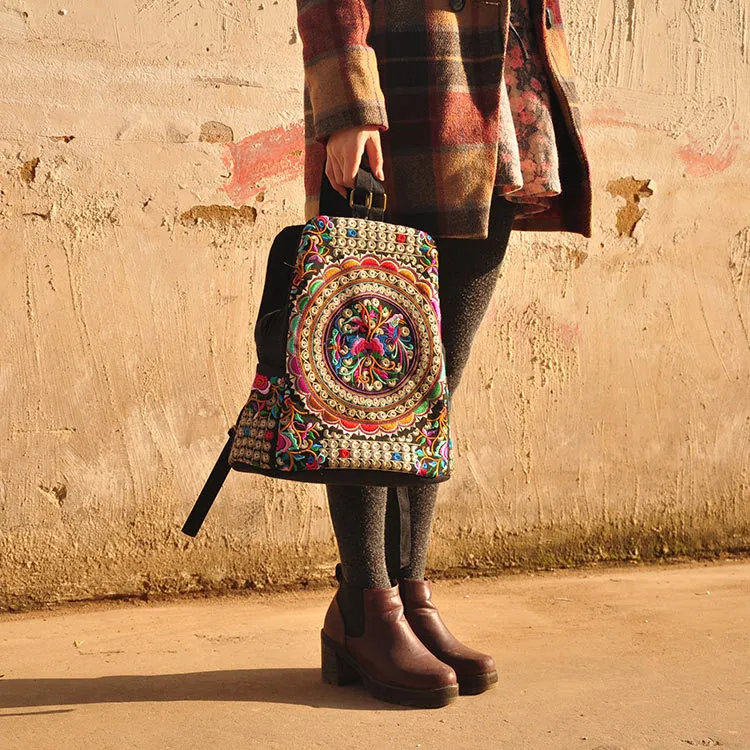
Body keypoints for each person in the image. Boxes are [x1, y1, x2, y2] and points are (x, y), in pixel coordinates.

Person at [296, 0, 592, 708]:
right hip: (408, 86)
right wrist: (347, 104)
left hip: (502, 95)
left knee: (430, 391)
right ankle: (366, 604)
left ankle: (408, 595)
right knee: (371, 385)